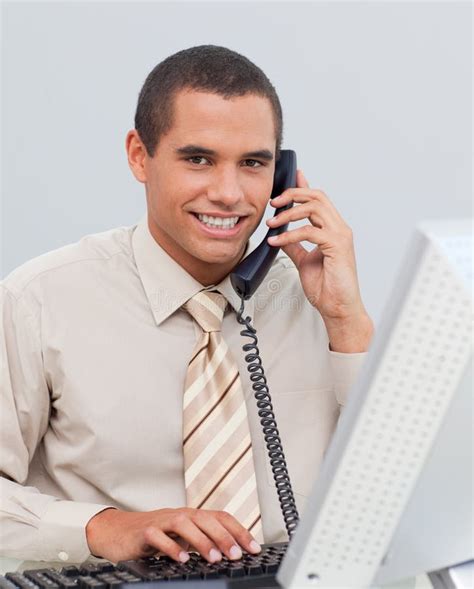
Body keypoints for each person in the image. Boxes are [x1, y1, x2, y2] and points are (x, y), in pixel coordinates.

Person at [0, 45, 373, 566]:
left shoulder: (319, 299)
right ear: (139, 155)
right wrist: (104, 527)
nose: (228, 193)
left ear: (282, 174)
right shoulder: (39, 300)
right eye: (198, 159)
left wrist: (346, 323)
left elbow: (400, 492)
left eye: (253, 164)